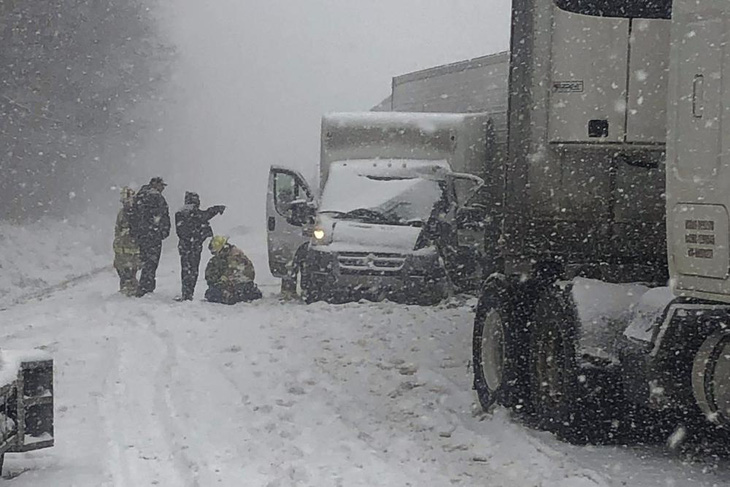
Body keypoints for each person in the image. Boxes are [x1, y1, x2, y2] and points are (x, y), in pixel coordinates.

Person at [175, 191, 225, 300]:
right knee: (193, 270)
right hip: (194, 246)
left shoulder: (179, 213)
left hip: (184, 245)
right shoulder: (194, 212)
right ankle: (189, 293)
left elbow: (180, 231)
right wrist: (216, 209)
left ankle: (186, 292)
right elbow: (204, 216)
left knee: (185, 269)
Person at [130, 176, 171, 296]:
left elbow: (133, 215)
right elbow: (163, 215)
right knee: (151, 262)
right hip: (153, 235)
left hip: (142, 235)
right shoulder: (156, 197)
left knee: (143, 260)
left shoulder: (140, 195)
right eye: (162, 185)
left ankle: (137, 285)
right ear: (156, 185)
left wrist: (135, 232)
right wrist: (162, 231)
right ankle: (146, 287)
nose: (163, 188)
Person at [205, 235, 262, 304]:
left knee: (212, 293)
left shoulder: (234, 257)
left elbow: (234, 274)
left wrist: (223, 282)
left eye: (215, 252)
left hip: (238, 287)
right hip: (242, 286)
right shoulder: (228, 256)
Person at [113, 187, 140, 296]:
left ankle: (131, 287)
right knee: (121, 268)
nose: (126, 203)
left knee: (131, 269)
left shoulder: (137, 212)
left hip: (133, 247)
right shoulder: (121, 213)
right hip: (121, 248)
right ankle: (125, 286)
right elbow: (117, 228)